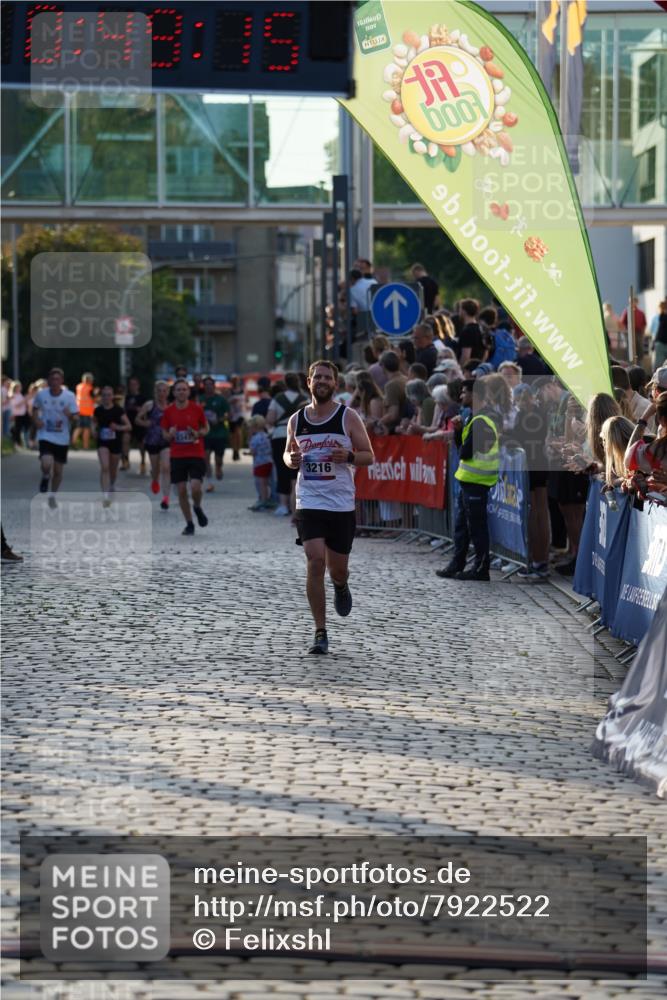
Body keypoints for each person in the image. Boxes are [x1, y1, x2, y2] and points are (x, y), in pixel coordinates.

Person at [283, 360, 374, 654]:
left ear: (335, 383)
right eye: (317, 377)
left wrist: (349, 456)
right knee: (314, 561)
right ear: (308, 382)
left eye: (327, 378)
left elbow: (369, 456)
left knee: (337, 570)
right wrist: (291, 460)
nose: (322, 381)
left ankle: (341, 585)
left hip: (340, 503)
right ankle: (320, 631)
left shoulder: (348, 417)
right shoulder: (296, 419)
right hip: (309, 500)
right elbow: (288, 453)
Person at [436, 377, 501, 581]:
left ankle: (481, 568)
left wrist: (459, 433)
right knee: (462, 527)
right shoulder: (474, 417)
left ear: (476, 395)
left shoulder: (482, 420)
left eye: (465, 392)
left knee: (476, 528)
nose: (461, 395)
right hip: (469, 481)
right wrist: (458, 432)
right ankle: (457, 563)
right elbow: (463, 448)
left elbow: (465, 452)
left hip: (477, 482)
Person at [160, 378, 210, 535]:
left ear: (188, 392)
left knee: (195, 487)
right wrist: (170, 434)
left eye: (184, 389)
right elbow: (164, 434)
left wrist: (198, 433)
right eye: (178, 390)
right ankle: (189, 524)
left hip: (195, 453)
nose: (181, 392)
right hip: (177, 455)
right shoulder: (168, 411)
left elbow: (206, 428)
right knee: (181, 490)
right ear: (174, 393)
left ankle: (197, 506)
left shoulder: (197, 409)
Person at [33, 368, 78, 508]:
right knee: (46, 463)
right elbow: (34, 409)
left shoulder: (69, 396)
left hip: (62, 437)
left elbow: (76, 416)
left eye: (57, 379)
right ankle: (46, 476)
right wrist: (36, 420)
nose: (55, 382)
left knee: (58, 471)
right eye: (52, 379)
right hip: (45, 434)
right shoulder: (41, 394)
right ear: (48, 381)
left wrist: (70, 415)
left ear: (62, 381)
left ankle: (52, 496)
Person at [266, 372, 307, 516]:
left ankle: (283, 505)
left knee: (281, 470)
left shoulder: (278, 398)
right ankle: (296, 504)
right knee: (297, 472)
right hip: (299, 436)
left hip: (280, 435)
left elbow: (270, 419)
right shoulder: (304, 398)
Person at [135, 380, 172, 509]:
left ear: (168, 392)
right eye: (159, 391)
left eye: (164, 391)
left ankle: (166, 498)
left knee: (166, 467)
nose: (162, 393)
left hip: (166, 440)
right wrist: (145, 423)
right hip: (152, 441)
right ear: (155, 392)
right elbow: (137, 419)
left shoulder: (171, 406)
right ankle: (155, 479)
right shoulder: (149, 405)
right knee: (156, 468)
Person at [93, 385, 131, 507]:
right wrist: (94, 430)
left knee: (113, 470)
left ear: (112, 396)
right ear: (101, 396)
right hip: (102, 442)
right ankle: (105, 496)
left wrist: (118, 427)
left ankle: (111, 484)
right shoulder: (98, 410)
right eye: (104, 395)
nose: (106, 397)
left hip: (115, 442)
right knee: (105, 467)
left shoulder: (118, 410)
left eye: (109, 395)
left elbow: (129, 426)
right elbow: (94, 422)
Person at [200, 376, 229, 491]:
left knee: (218, 459)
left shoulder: (221, 399)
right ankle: (210, 483)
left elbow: (228, 414)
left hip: (220, 433)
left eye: (210, 384)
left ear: (214, 385)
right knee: (205, 458)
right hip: (206, 434)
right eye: (206, 384)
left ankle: (218, 467)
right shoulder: (200, 399)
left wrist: (220, 420)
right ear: (203, 386)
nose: (208, 386)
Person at [378, 351, 408, 434]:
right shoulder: (406, 379)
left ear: (383, 366)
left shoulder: (391, 385)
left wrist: (378, 423)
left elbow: (393, 415)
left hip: (395, 431)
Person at [121, 376, 147, 473]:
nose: (132, 386)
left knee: (141, 444)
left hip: (139, 424)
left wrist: (139, 410)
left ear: (138, 385)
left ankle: (143, 462)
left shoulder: (142, 398)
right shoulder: (126, 397)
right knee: (125, 440)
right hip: (129, 423)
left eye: (134, 384)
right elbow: (123, 409)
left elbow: (145, 410)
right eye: (131, 384)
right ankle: (125, 461)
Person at [248, 415, 274, 510]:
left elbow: (253, 451)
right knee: (267, 483)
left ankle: (263, 500)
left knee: (261, 483)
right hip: (268, 461)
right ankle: (268, 499)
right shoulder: (267, 436)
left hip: (259, 463)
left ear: (254, 427)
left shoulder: (255, 438)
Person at [457, 299, 487, 364]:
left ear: (464, 311)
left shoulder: (467, 331)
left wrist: (460, 368)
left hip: (469, 368)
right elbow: (485, 352)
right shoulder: (481, 329)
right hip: (479, 367)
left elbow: (465, 356)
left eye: (460, 310)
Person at [72, 373, 96, 450]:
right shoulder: (90, 388)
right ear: (89, 380)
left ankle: (73, 443)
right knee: (86, 429)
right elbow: (94, 398)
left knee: (78, 428)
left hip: (78, 410)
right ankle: (86, 446)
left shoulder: (78, 386)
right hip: (87, 411)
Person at [620, 296, 647, 361]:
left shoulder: (641, 313)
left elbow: (644, 324)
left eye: (634, 301)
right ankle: (631, 363)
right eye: (631, 302)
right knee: (631, 350)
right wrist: (626, 332)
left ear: (637, 302)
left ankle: (639, 363)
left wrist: (642, 333)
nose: (632, 303)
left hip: (639, 333)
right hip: (630, 333)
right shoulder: (627, 311)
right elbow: (622, 323)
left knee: (639, 350)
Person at [227, 375, 245, 461]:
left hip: (240, 414)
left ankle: (238, 450)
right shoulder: (229, 391)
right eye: (234, 381)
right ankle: (234, 450)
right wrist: (231, 401)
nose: (236, 383)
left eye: (237, 381)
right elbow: (226, 401)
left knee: (238, 431)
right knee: (232, 433)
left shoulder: (242, 390)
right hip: (232, 414)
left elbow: (246, 400)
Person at [9, 381, 29, 447]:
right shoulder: (12, 395)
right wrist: (24, 400)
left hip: (22, 414)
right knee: (16, 429)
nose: (19, 388)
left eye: (19, 387)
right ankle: (16, 442)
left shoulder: (20, 395)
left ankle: (18, 443)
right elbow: (16, 405)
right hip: (16, 414)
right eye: (17, 387)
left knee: (20, 429)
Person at [650, 300, 667, 370]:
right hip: (661, 343)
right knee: (659, 366)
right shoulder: (661, 317)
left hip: (660, 343)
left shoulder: (660, 317)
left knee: (659, 367)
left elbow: (652, 330)